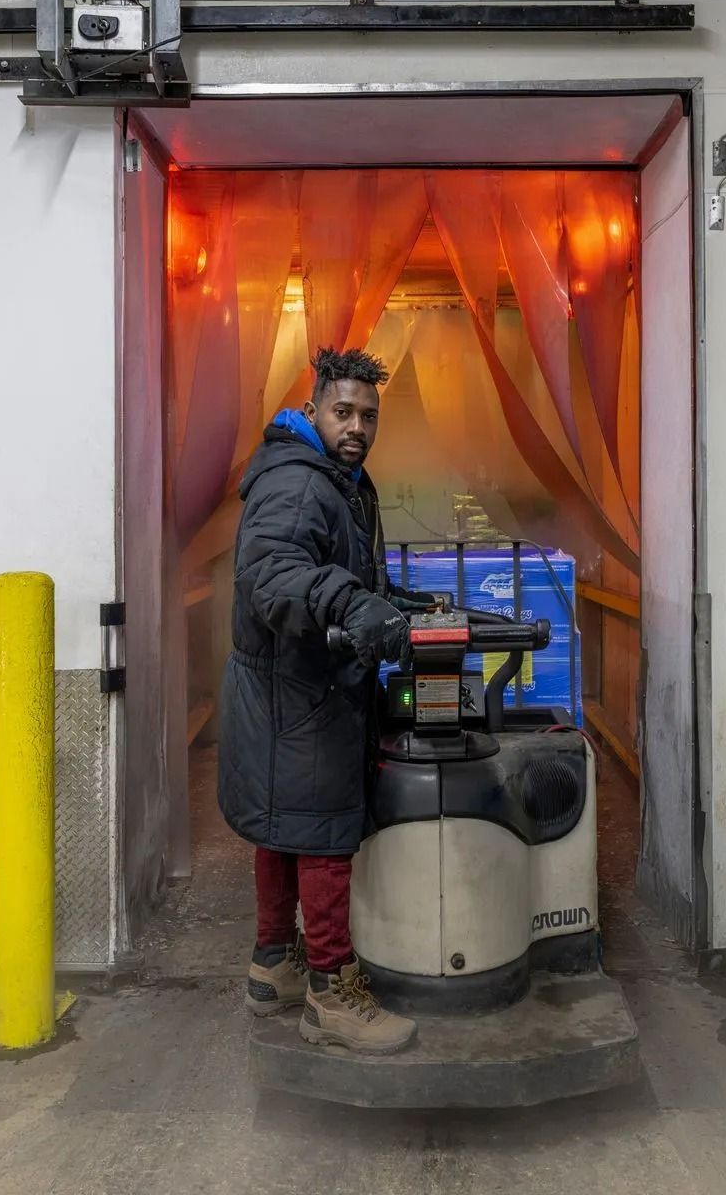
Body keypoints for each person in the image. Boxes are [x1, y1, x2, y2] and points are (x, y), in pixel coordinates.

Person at [218, 347, 435, 1055]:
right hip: (304, 691)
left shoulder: (331, 478)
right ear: (313, 409)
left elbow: (330, 569)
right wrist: (351, 602)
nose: (358, 427)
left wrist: (388, 602)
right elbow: (276, 575)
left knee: (287, 826)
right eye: (343, 412)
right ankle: (331, 996)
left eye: (368, 416)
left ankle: (273, 964)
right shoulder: (301, 485)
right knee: (323, 835)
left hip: (288, 688)